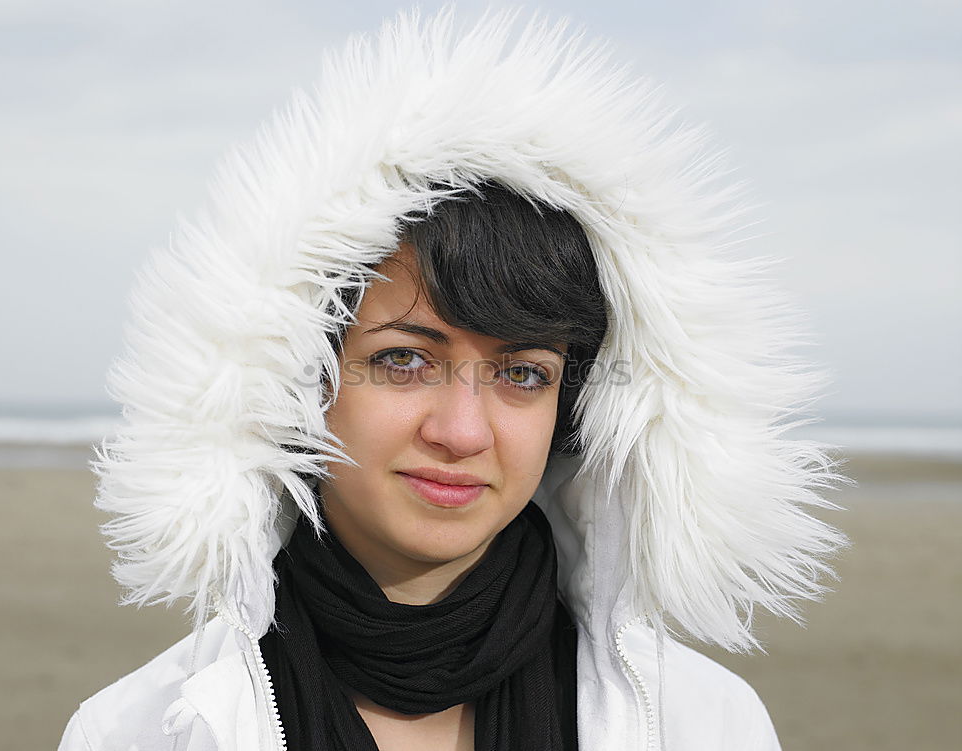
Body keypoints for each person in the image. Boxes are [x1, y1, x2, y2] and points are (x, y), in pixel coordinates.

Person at [59, 8, 847, 751]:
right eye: (404, 359)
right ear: (297, 380)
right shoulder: (140, 730)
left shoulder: (701, 724)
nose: (462, 430)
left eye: (523, 373)